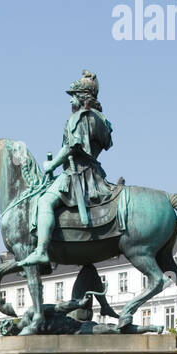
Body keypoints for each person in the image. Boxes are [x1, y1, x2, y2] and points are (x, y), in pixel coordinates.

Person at [20, 70, 116, 267]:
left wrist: (51, 164)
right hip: (95, 172)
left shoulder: (80, 117)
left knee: (45, 201)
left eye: (73, 96)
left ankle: (41, 251)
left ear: (81, 97)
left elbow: (71, 147)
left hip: (77, 174)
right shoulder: (100, 119)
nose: (70, 101)